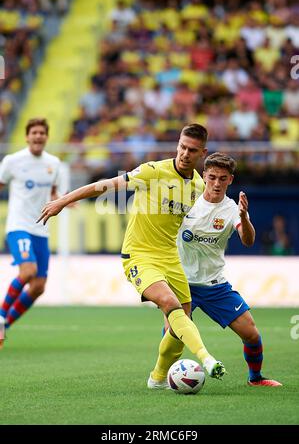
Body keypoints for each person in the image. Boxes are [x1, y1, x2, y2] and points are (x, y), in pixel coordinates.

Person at [37, 123, 226, 387]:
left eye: (191, 150)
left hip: (170, 258)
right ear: (177, 144)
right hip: (139, 255)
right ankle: (207, 359)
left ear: (202, 153)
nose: (184, 153)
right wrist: (62, 201)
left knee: (180, 325)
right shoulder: (152, 171)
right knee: (170, 304)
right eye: (182, 146)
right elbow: (106, 185)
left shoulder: (197, 186)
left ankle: (158, 377)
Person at [175, 152, 282, 387]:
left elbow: (247, 240)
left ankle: (255, 378)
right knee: (173, 336)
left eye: (222, 178)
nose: (216, 183)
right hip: (181, 283)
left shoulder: (232, 209)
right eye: (212, 177)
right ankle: (161, 376)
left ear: (230, 180)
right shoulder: (186, 202)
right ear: (203, 175)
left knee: (251, 333)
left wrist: (244, 217)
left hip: (215, 286)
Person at [0, 118, 63, 348]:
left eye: (42, 133)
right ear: (27, 137)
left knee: (38, 287)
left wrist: (61, 200)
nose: (38, 136)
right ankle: (0, 316)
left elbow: (53, 191)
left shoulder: (53, 163)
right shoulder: (12, 161)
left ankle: (5, 324)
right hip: (18, 226)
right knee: (28, 270)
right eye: (34, 132)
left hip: (40, 229)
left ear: (46, 137)